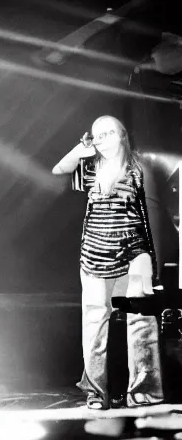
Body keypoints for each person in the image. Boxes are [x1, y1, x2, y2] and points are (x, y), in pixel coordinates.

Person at [52, 115, 164, 410]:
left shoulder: (139, 166)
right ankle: (95, 392)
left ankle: (144, 391)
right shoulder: (89, 168)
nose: (102, 139)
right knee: (95, 321)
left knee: (140, 321)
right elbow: (58, 170)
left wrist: (154, 257)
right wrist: (79, 151)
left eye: (108, 133)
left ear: (121, 135)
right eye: (97, 135)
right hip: (95, 254)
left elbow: (153, 210)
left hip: (134, 253)